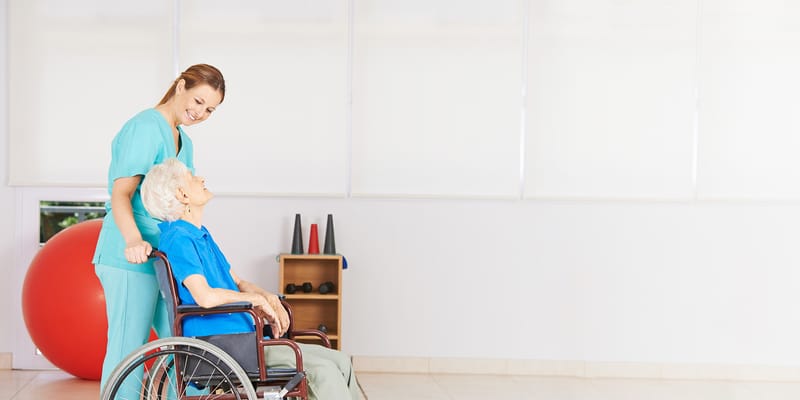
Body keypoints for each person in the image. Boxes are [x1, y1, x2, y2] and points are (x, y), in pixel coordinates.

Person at [140, 158, 360, 400]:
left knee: (340, 361)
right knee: (325, 372)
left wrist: (268, 298)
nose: (201, 179)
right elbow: (204, 296)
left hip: (245, 338)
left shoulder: (200, 236)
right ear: (182, 195)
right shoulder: (179, 239)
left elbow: (239, 282)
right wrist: (255, 301)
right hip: (227, 345)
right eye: (193, 178)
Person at [92, 64, 226, 391]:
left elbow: (181, 203)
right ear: (180, 86)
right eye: (197, 101)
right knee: (129, 350)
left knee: (183, 343)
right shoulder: (144, 128)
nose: (200, 112)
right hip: (130, 255)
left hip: (164, 256)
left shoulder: (185, 143)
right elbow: (121, 195)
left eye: (209, 109)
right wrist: (134, 240)